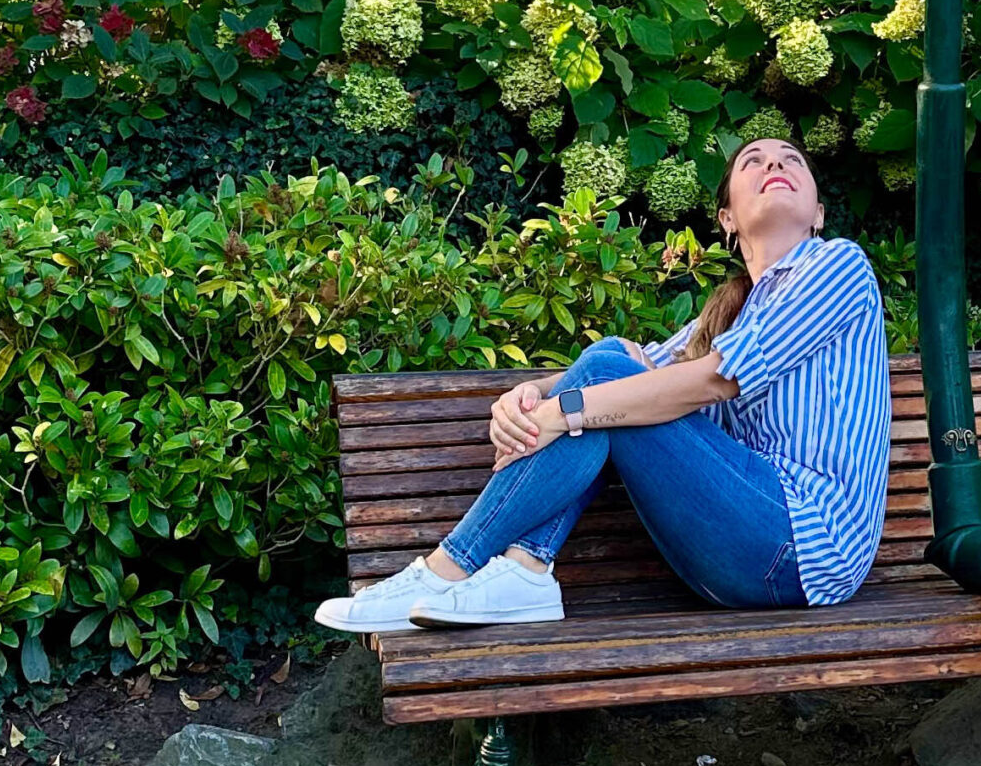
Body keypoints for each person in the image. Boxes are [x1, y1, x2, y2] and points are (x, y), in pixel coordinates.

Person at [314, 136, 892, 631]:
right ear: (727, 221)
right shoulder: (731, 314)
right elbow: (625, 367)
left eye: (791, 160)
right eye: (754, 162)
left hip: (804, 547)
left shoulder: (837, 264)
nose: (775, 167)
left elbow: (716, 380)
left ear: (817, 212)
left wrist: (562, 410)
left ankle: (451, 569)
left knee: (601, 386)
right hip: (730, 558)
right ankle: (524, 571)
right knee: (609, 364)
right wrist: (529, 398)